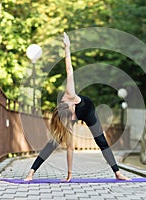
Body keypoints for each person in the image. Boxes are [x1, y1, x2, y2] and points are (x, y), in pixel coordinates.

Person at [24, 32, 130, 182]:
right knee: (53, 142)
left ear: (72, 106)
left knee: (101, 141)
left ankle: (118, 173)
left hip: (88, 110)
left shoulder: (70, 94)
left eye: (73, 115)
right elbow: (70, 148)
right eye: (71, 118)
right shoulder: (65, 115)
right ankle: (31, 172)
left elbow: (69, 70)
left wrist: (67, 48)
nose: (74, 118)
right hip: (69, 114)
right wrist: (69, 175)